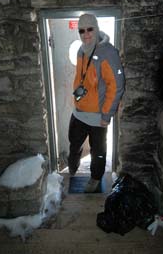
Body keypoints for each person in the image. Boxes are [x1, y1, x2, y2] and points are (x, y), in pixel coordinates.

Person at [68, 13, 125, 193]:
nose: (86, 34)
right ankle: (73, 164)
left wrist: (106, 115)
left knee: (98, 153)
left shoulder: (108, 52)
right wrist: (76, 99)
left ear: (96, 28)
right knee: (74, 143)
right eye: (81, 31)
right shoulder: (80, 50)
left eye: (90, 29)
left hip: (98, 117)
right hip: (79, 111)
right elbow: (80, 79)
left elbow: (116, 86)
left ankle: (95, 178)